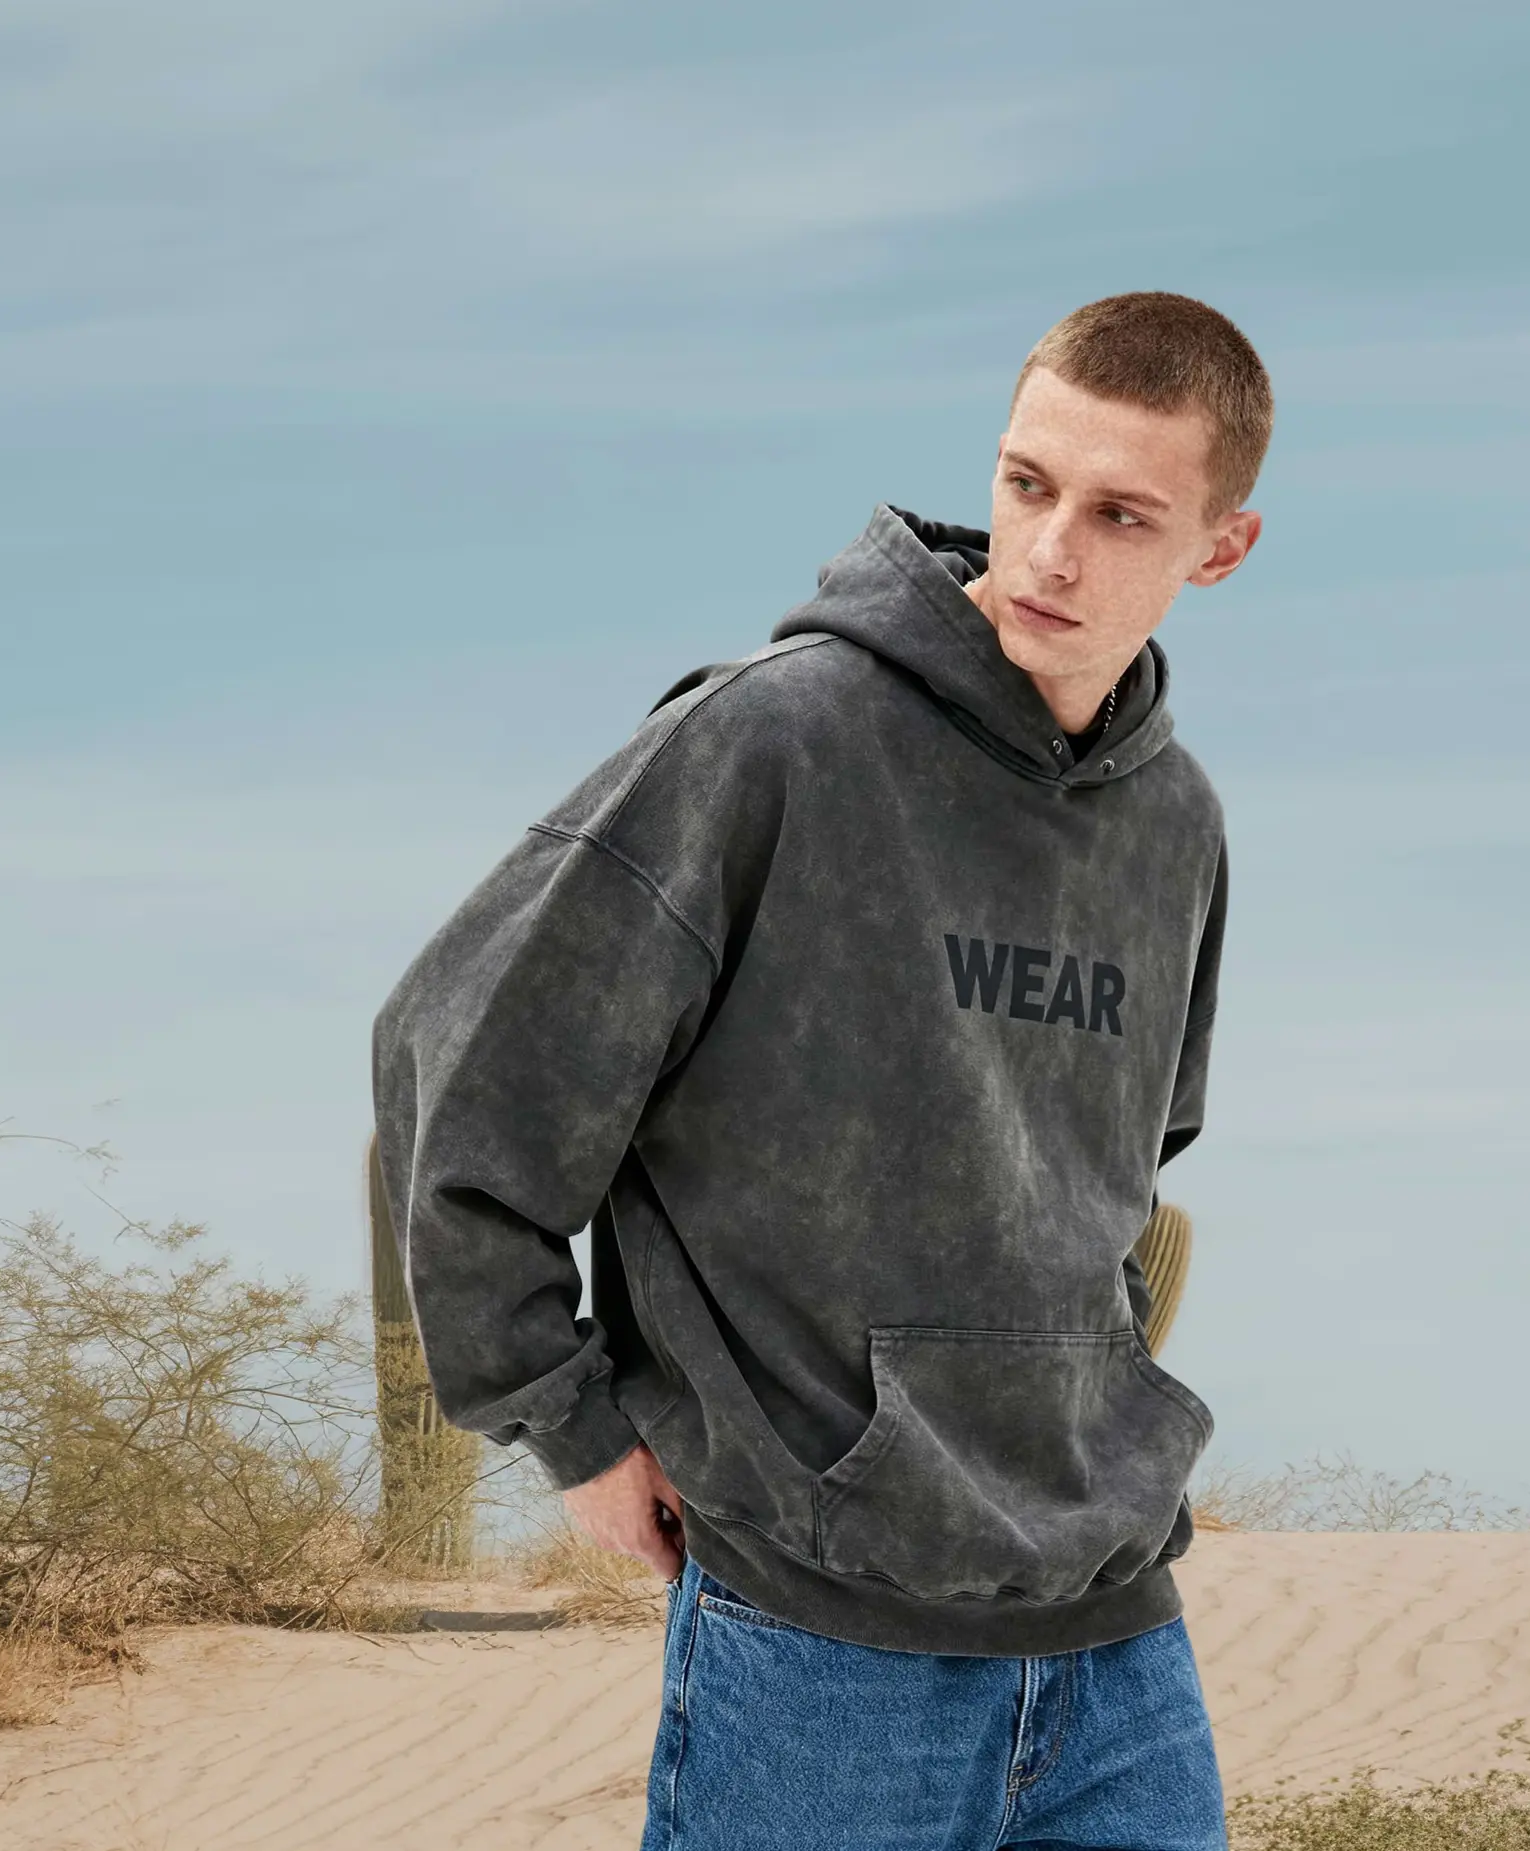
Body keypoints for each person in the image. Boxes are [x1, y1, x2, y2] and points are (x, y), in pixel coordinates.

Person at [372, 290, 1270, 1850]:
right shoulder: (777, 741)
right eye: (1028, 484)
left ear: (1219, 546)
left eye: (1123, 512)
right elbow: (458, 1062)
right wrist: (568, 1424)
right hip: (819, 1639)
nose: (1051, 548)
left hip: (1113, 1635)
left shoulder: (1176, 821)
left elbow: (1124, 1174)